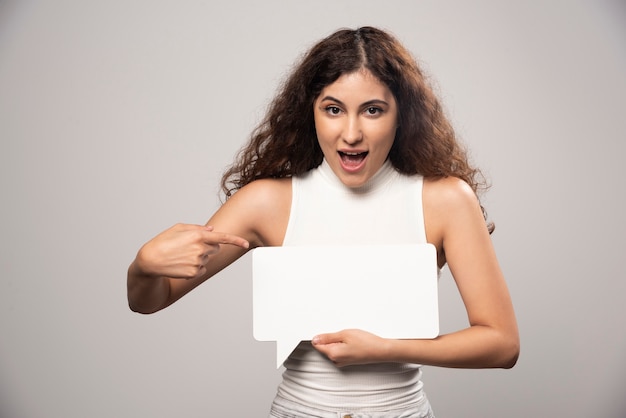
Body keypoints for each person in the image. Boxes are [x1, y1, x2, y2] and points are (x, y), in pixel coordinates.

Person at [127, 26, 519, 418]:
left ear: (402, 115)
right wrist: (143, 267)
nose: (351, 133)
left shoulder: (444, 201)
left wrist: (387, 349)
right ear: (310, 113)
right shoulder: (267, 203)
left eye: (373, 110)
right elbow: (151, 300)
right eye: (333, 109)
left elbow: (502, 344)